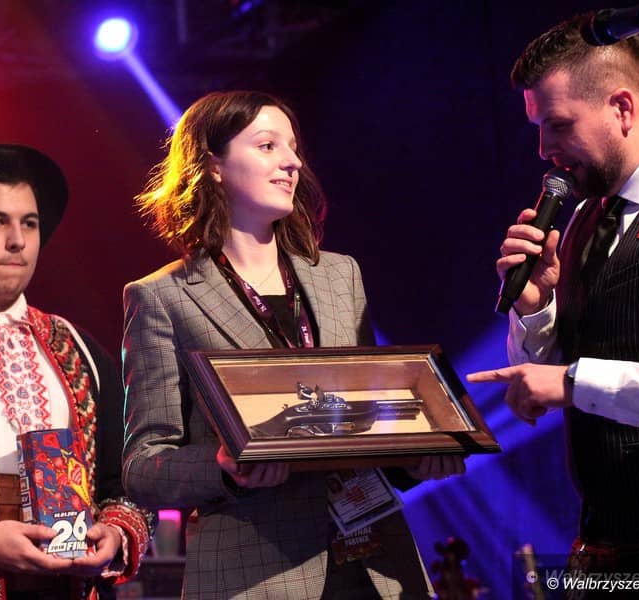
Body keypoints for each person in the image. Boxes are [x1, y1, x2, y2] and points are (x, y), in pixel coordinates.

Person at [122, 90, 464, 600]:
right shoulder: (162, 296)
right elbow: (143, 467)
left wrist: (415, 458)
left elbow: (369, 419)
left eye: (293, 147)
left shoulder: (341, 275)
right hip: (255, 574)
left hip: (377, 562)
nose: (292, 162)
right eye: (268, 146)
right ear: (213, 165)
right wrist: (225, 467)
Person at [467, 14, 639, 592]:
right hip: (607, 542)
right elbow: (555, 370)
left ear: (621, 108)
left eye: (558, 125)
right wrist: (536, 308)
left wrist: (571, 383)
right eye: (537, 129)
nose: (544, 150)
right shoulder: (583, 218)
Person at [0, 144, 154, 599]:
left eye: (30, 223)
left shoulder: (76, 346)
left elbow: (125, 479)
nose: (17, 240)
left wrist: (114, 532)